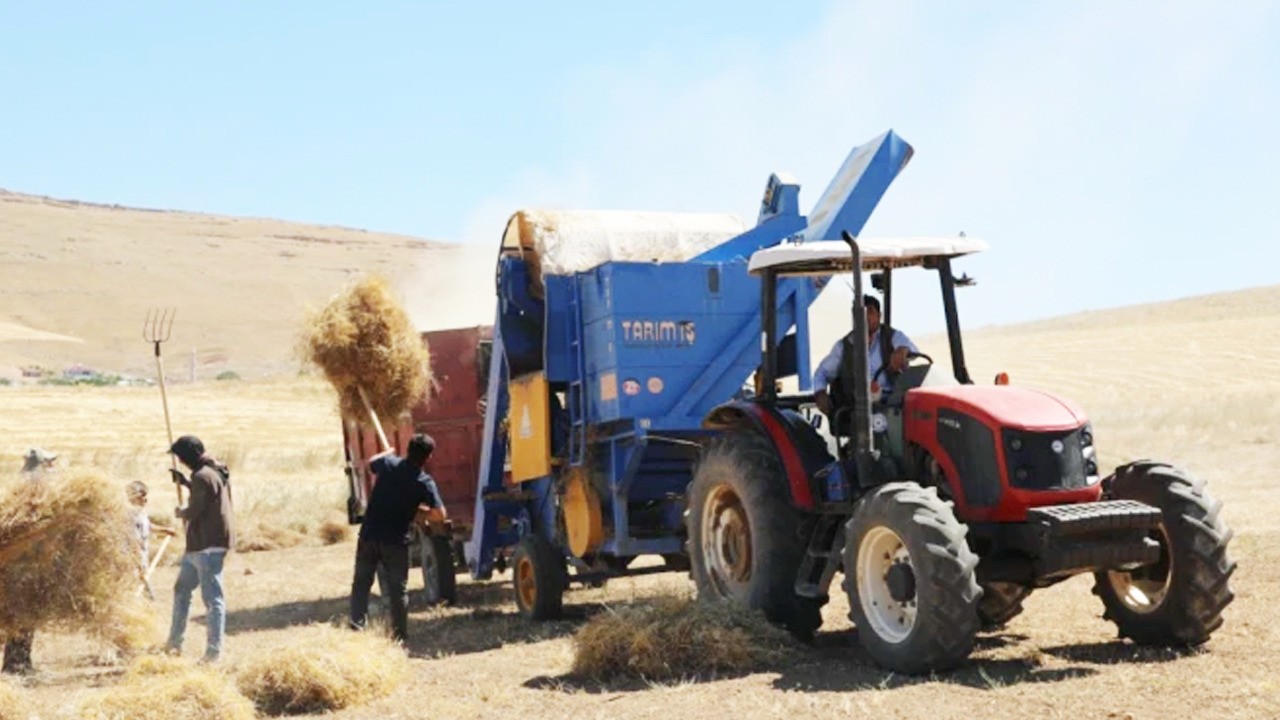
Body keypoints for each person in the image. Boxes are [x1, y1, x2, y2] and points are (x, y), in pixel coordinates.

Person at [350, 433, 444, 642]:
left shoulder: (389, 464)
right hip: (395, 541)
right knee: (397, 590)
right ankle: (399, 636)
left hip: (369, 535)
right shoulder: (424, 482)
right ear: (428, 458)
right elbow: (439, 515)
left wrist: (389, 452)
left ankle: (357, 627)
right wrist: (420, 511)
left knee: (361, 584)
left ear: (408, 450)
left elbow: (370, 464)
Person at [164, 435, 234, 663]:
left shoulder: (203, 476)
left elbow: (195, 510)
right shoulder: (209, 473)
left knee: (213, 600)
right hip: (198, 546)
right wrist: (185, 483)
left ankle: (213, 654)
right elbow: (204, 495)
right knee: (181, 590)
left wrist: (180, 512)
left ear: (189, 455)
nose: (181, 461)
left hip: (207, 546)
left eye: (181, 457)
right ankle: (174, 645)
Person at [813, 294, 919, 418]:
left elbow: (913, 351)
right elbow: (822, 372)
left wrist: (902, 350)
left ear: (879, 316)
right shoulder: (843, 346)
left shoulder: (893, 336)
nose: (864, 317)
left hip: (893, 404)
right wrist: (820, 392)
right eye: (859, 313)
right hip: (857, 409)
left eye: (869, 311)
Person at [2, 448, 60, 674]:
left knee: (27, 613)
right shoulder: (30, 490)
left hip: (30, 560)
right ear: (39, 466)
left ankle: (21, 662)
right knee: (22, 612)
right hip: (23, 562)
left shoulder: (35, 487)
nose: (52, 468)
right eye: (49, 464)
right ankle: (16, 665)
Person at [127, 481, 176, 600]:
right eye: (142, 497)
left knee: (142, 582)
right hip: (132, 556)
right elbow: (132, 538)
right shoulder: (129, 515)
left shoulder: (141, 512)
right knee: (136, 584)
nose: (145, 500)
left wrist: (166, 530)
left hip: (142, 554)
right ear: (134, 497)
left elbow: (148, 526)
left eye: (145, 496)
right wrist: (137, 558)